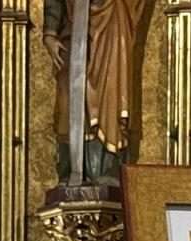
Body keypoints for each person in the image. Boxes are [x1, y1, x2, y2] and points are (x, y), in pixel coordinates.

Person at [42, 0, 147, 184]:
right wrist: (50, 32)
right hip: (74, 30)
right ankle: (71, 167)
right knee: (68, 102)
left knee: (110, 93)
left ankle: (108, 165)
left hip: (112, 25)